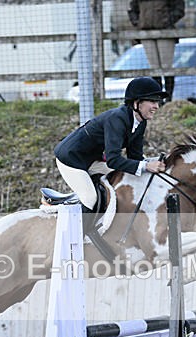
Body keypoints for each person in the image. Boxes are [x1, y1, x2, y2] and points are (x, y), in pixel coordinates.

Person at [53, 77, 167, 254]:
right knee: (90, 198)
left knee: (125, 177)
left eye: (157, 102)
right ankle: (73, 243)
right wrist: (146, 166)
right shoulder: (117, 119)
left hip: (92, 160)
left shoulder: (140, 122)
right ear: (137, 103)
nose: (156, 106)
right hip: (71, 159)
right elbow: (114, 161)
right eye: (152, 101)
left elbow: (135, 157)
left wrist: (150, 164)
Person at [128, 0, 184, 100]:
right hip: (146, 32)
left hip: (165, 32)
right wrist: (139, 23)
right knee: (154, 68)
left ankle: (168, 98)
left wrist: (166, 20)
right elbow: (133, 9)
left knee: (167, 67)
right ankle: (158, 98)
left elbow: (179, 8)